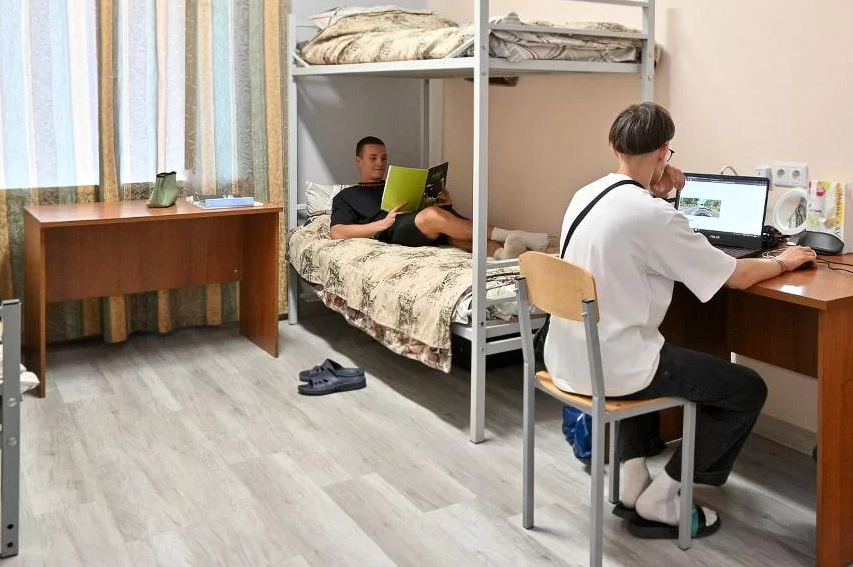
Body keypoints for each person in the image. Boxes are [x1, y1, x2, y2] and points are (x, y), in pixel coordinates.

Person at [544, 103, 816, 539]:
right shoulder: (652, 215)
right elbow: (736, 275)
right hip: (614, 365)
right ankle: (663, 494)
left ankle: (633, 482)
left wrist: (658, 193)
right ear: (664, 151)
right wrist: (785, 260)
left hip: (568, 356)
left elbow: (634, 233)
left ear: (614, 147)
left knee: (648, 348)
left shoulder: (587, 194)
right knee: (746, 389)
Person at [330, 136, 549, 260]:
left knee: (451, 228)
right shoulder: (347, 195)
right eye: (373, 158)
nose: (380, 163)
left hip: (420, 223)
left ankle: (503, 254)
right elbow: (337, 232)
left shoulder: (395, 183)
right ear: (358, 160)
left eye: (384, 157)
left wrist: (441, 202)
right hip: (393, 231)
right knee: (433, 216)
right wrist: (380, 224)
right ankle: (516, 234)